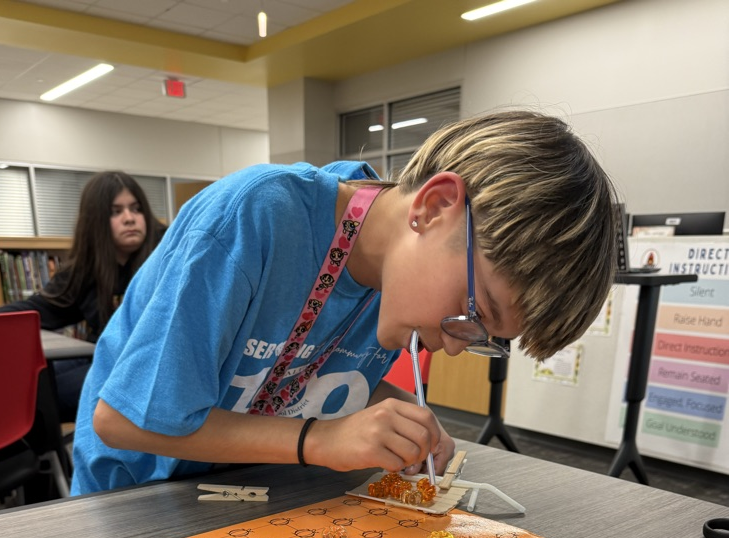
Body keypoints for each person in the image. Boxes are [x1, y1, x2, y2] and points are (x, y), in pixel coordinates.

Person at [71, 110, 617, 496]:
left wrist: (388, 410)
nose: (455, 345)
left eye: (483, 339)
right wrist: (322, 440)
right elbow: (124, 420)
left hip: (244, 485)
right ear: (434, 207)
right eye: (475, 312)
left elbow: (289, 372)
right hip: (135, 495)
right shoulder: (257, 216)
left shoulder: (396, 277)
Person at [0, 171, 162, 421]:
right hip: (102, 357)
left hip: (148, 366)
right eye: (116, 212)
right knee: (25, 382)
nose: (129, 218)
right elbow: (39, 308)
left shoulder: (168, 253)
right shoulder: (87, 270)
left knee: (40, 398)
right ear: (96, 221)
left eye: (136, 209)